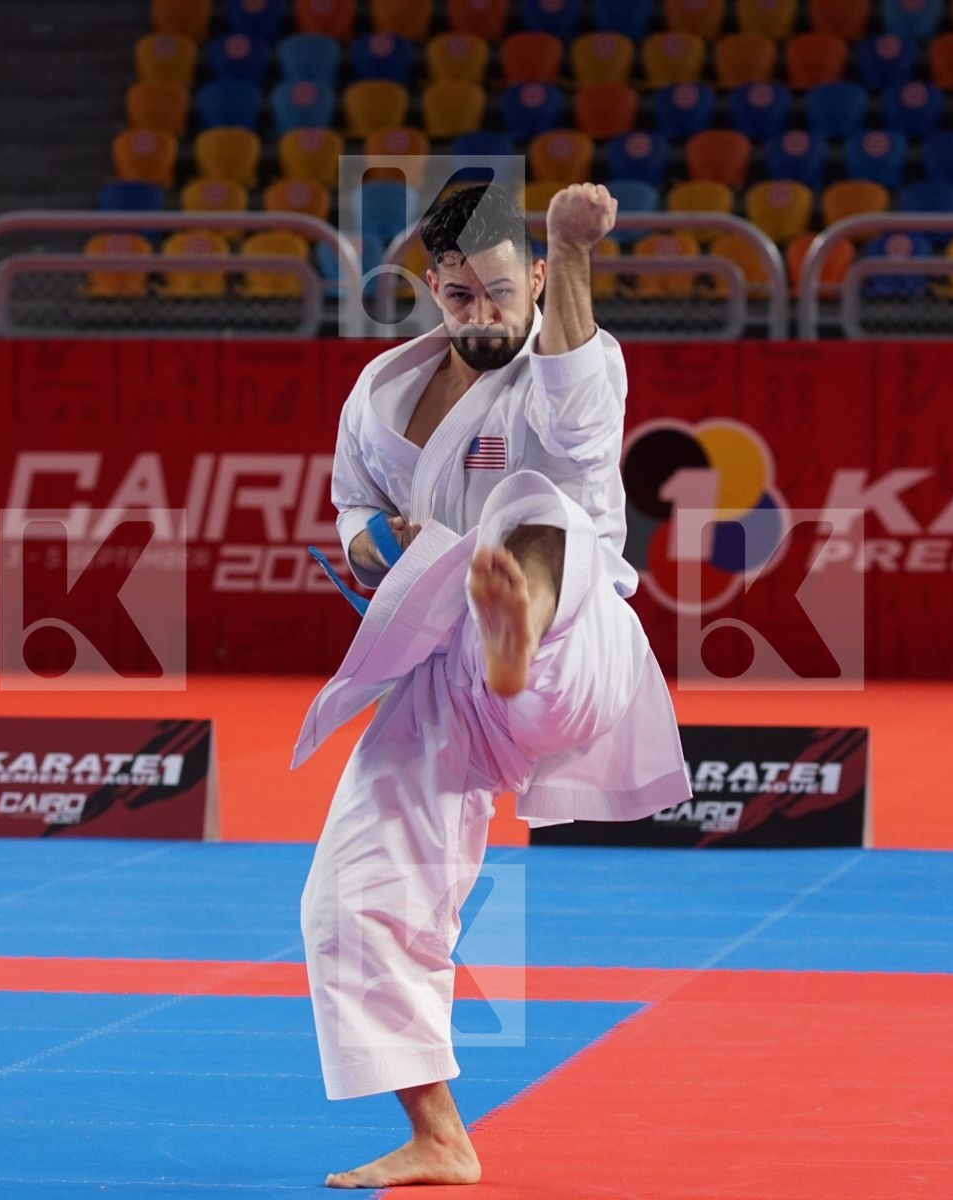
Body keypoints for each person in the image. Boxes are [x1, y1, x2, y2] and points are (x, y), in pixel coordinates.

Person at [294, 181, 691, 1188]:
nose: (483, 317)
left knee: (534, 506)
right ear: (433, 287)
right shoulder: (383, 390)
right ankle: (439, 1134)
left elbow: (574, 393)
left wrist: (573, 248)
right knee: (348, 896)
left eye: (504, 294)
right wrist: (368, 542)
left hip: (574, 649)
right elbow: (350, 500)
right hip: (447, 674)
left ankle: (518, 615)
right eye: (462, 298)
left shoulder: (573, 367)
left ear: (539, 280)